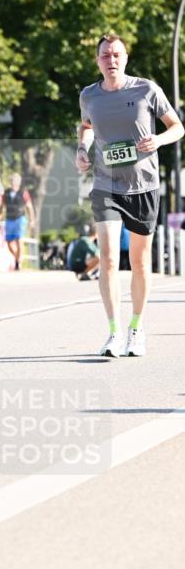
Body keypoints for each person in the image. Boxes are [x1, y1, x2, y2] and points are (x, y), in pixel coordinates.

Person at [77, 33, 183, 357]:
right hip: (107, 184)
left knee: (138, 260)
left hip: (144, 185)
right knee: (108, 258)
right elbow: (87, 125)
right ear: (97, 61)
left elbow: (177, 126)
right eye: (106, 55)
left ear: (126, 58)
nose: (112, 60)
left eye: (117, 55)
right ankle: (113, 332)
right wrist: (82, 148)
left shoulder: (147, 89)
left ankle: (136, 328)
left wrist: (160, 141)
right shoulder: (89, 95)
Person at [2, 172, 36, 271]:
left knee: (19, 240)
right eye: (12, 180)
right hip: (9, 218)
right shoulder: (6, 192)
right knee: (9, 242)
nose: (13, 182)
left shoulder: (23, 192)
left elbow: (29, 206)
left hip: (20, 218)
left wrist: (32, 219)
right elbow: (2, 205)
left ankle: (18, 263)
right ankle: (18, 257)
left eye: (15, 181)